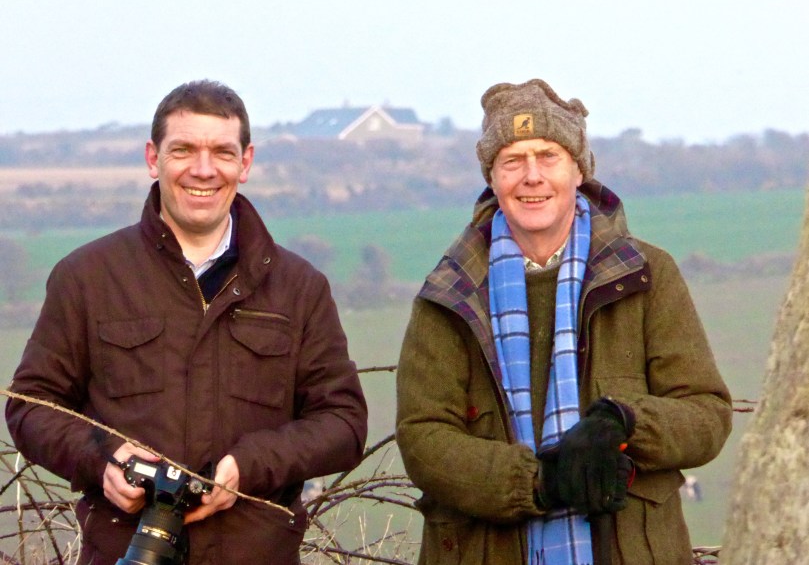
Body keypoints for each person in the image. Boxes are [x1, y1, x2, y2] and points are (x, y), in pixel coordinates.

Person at [5, 80, 368, 564]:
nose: (203, 169)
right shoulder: (87, 278)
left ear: (246, 162)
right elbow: (31, 407)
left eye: (222, 151)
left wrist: (248, 467)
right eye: (184, 150)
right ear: (153, 159)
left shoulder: (298, 287)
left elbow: (344, 423)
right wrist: (105, 459)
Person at [395, 78, 732, 565]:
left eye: (548, 156)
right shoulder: (450, 294)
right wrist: (541, 483)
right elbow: (424, 440)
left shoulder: (647, 275)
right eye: (512, 160)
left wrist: (625, 422)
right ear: (493, 178)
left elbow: (707, 414)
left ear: (579, 169)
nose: (532, 177)